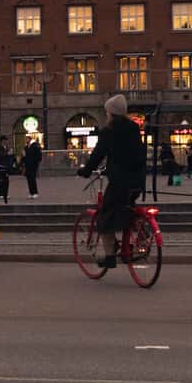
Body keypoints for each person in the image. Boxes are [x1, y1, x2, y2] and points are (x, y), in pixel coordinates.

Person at [77, 95, 146, 268]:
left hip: (120, 182)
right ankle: (138, 240)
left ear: (110, 113)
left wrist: (85, 171)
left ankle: (110, 256)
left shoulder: (108, 130)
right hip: (138, 180)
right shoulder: (134, 127)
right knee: (127, 209)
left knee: (104, 217)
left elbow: (98, 154)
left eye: (106, 112)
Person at [0, 137, 14, 204]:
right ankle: (0, 194)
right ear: (2, 141)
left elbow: (8, 156)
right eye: (5, 140)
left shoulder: (6, 147)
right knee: (0, 180)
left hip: (6, 166)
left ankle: (5, 193)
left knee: (6, 180)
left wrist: (11, 155)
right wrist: (7, 153)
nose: (6, 142)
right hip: (0, 166)